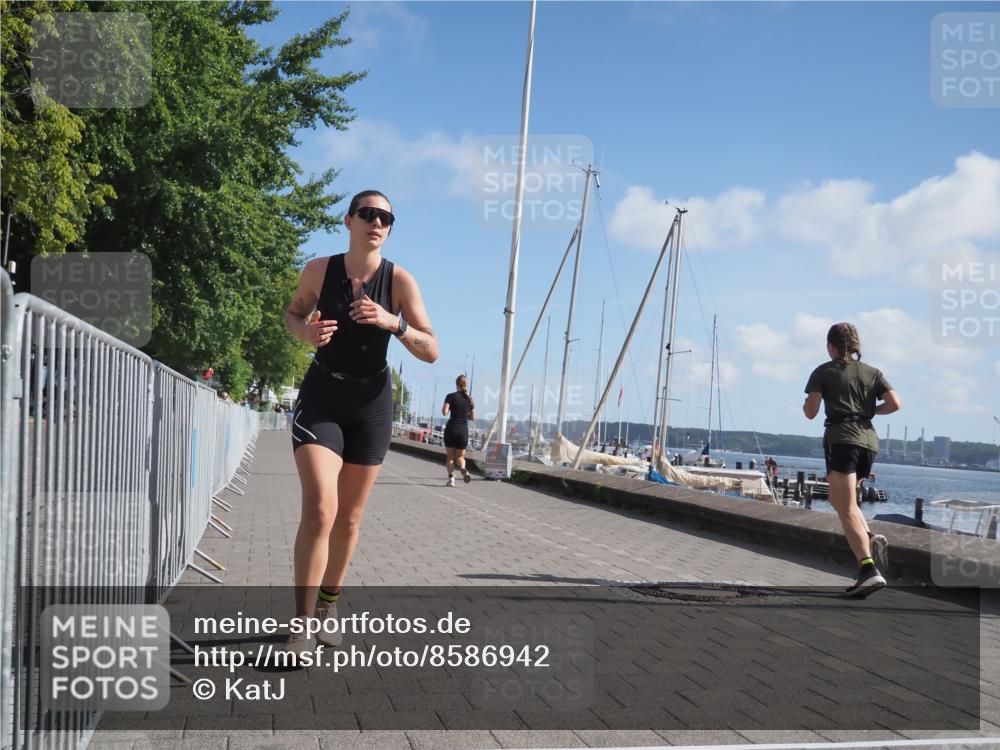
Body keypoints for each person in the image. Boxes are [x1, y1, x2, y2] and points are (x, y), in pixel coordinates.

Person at [283, 189, 438, 653]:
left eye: (386, 218)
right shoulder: (319, 270)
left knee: (349, 520)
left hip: (371, 405)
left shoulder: (401, 281)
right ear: (348, 220)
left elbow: (432, 349)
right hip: (322, 397)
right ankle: (302, 625)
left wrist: (394, 323)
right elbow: (293, 313)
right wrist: (305, 331)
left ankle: (328, 608)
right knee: (321, 510)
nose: (377, 222)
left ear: (390, 228)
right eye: (368, 214)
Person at [803, 322, 900, 597]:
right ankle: (867, 539)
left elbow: (811, 412)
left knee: (843, 507)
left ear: (831, 346)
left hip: (842, 439)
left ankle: (868, 568)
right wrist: (869, 411)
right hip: (869, 442)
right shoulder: (873, 372)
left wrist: (807, 404)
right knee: (843, 501)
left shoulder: (824, 371)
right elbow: (895, 403)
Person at [442, 375, 475, 486]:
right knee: (460, 457)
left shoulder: (450, 396)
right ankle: (463, 468)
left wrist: (448, 407)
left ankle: (451, 479)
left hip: (451, 429)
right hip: (463, 431)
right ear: (466, 384)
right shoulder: (469, 399)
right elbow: (472, 418)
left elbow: (444, 412)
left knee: (450, 457)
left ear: (456, 384)